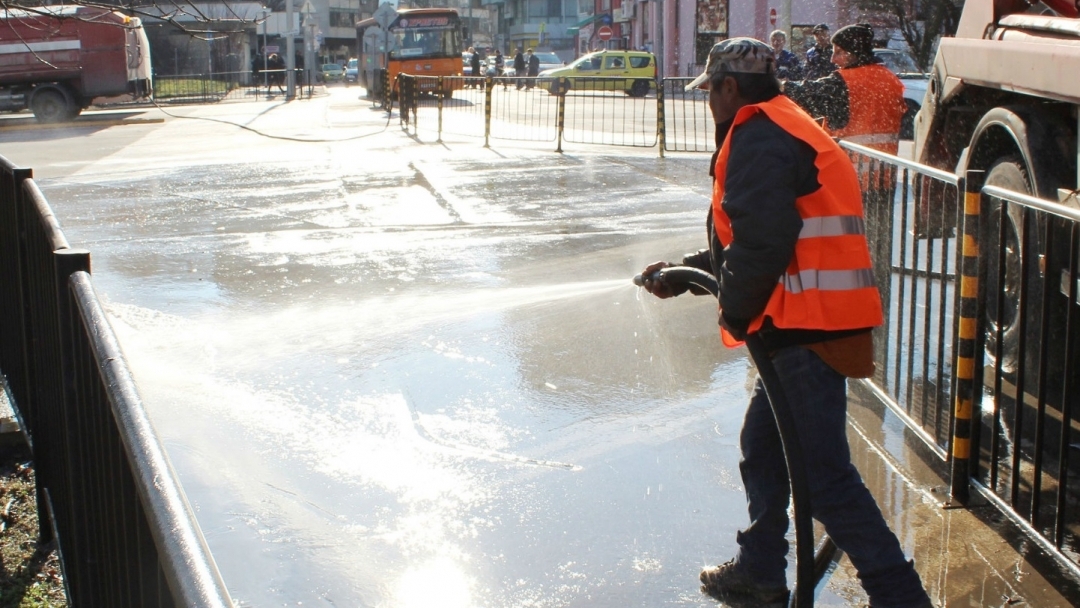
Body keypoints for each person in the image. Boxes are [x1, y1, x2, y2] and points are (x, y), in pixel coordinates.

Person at [638, 37, 933, 608]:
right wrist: (687, 272)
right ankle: (761, 569)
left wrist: (734, 309)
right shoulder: (784, 122)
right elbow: (757, 236)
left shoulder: (760, 137)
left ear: (729, 87)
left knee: (824, 478)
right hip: (807, 321)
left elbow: (765, 242)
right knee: (763, 446)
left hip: (803, 328)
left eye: (710, 93)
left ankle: (900, 596)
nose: (708, 105)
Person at [783, 23, 906, 155]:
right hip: (884, 167)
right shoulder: (891, 79)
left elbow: (806, 94)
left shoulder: (844, 81)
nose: (832, 59)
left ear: (855, 52)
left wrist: (780, 86)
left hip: (850, 165)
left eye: (839, 52)